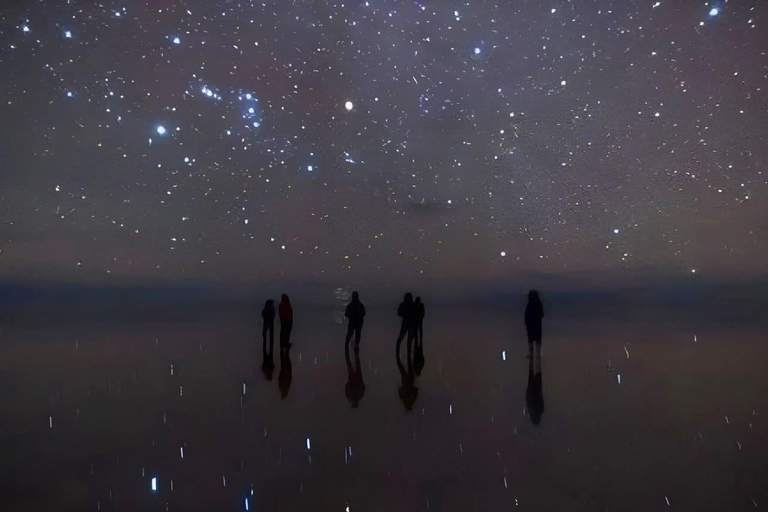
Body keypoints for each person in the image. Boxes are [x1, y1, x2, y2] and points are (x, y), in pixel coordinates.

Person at [524, 290, 544, 359]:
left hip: (531, 325)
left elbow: (526, 315)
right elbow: (542, 314)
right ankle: (538, 355)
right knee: (538, 341)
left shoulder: (529, 304)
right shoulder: (539, 304)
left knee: (531, 340)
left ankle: (532, 354)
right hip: (537, 325)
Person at [525, 353, 544, 425]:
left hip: (536, 390)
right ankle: (533, 357)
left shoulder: (539, 411)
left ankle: (535, 357)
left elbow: (541, 399)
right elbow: (528, 398)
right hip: (532, 390)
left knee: (537, 372)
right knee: (532, 372)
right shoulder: (532, 410)